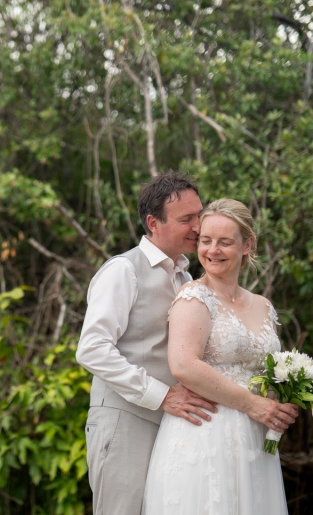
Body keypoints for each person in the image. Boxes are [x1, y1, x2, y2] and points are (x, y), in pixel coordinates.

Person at [142, 198, 298, 514]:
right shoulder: (194, 298)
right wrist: (253, 404)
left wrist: (282, 402)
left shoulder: (263, 305)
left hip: (255, 440)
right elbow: (184, 365)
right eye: (206, 241)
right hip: (206, 434)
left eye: (225, 242)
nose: (212, 251)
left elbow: (269, 369)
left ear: (247, 244)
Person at [76, 171, 219, 515]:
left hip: (175, 428)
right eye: (187, 219)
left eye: (198, 215)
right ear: (154, 223)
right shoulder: (122, 270)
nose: (198, 227)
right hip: (125, 422)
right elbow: (92, 349)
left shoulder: (187, 277)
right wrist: (162, 395)